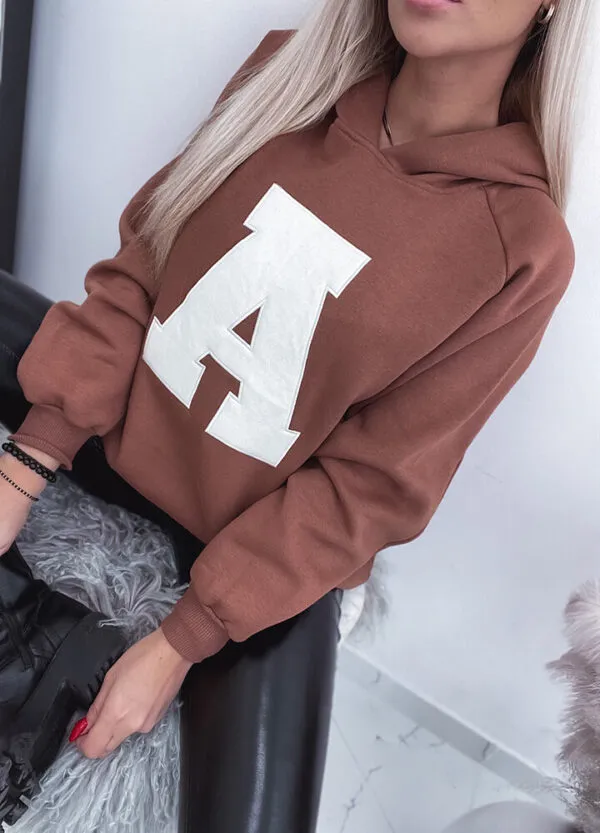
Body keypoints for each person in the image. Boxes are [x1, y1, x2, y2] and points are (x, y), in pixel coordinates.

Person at [0, 0, 591, 824]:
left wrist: (178, 641)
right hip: (102, 468)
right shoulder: (285, 80)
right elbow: (141, 270)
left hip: (256, 572)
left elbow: (370, 485)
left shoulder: (522, 246)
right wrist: (23, 467)